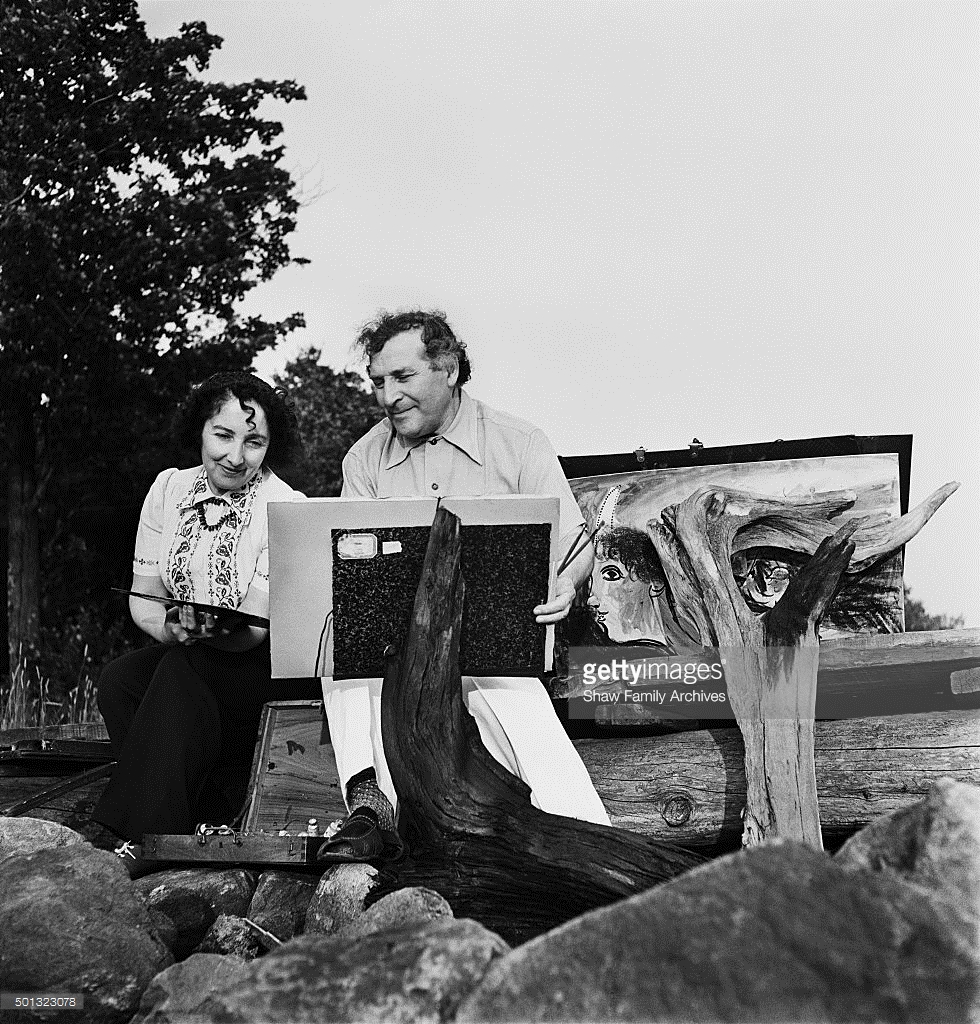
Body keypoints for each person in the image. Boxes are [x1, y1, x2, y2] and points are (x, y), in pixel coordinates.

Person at [318, 310, 611, 862]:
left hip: (491, 647)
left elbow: (575, 542)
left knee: (510, 694)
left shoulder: (519, 442)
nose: (386, 396)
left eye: (402, 377)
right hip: (394, 649)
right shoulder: (362, 458)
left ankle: (587, 841)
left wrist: (565, 586)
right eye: (377, 381)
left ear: (448, 368)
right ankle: (369, 814)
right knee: (341, 658)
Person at [93, 372, 320, 853]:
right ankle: (197, 814)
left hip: (264, 667)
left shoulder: (283, 506)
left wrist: (204, 633)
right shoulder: (168, 490)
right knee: (118, 680)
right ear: (199, 429)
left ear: (269, 447)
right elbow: (144, 596)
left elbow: (254, 632)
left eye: (254, 442)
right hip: (195, 654)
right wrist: (171, 627)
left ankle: (148, 838)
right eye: (223, 435)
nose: (236, 457)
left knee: (182, 667)